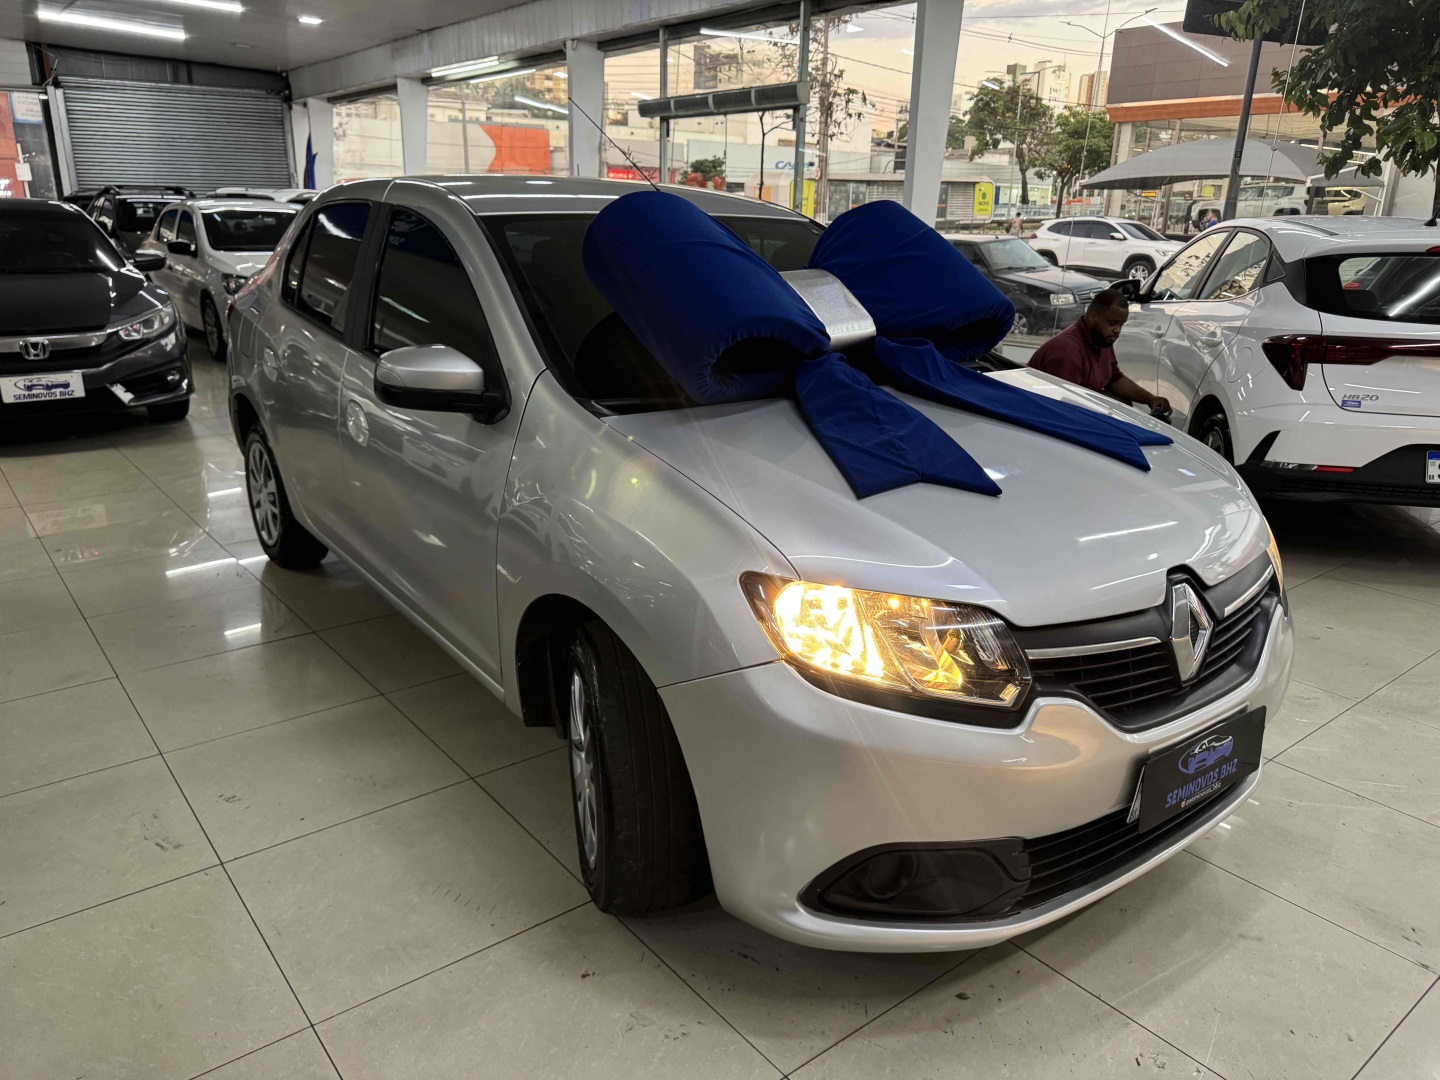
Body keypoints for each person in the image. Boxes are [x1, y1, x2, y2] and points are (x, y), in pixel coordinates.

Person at [1027, 290, 1171, 416]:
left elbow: (1114, 379)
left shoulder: (1101, 340)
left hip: (1071, 408)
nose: (1117, 330)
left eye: (1121, 324)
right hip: (1043, 416)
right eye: (1112, 323)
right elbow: (1065, 405)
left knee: (1124, 405)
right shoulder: (1067, 350)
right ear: (1093, 316)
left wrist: (1149, 398)